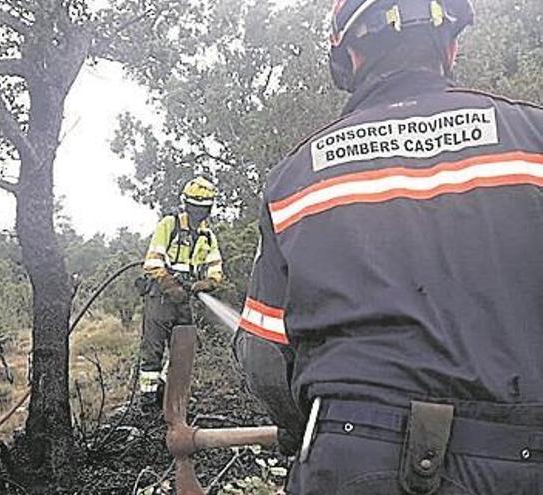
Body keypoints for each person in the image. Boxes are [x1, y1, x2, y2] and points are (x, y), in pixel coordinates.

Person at [234, 0, 543, 493]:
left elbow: (264, 360)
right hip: (520, 458)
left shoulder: (296, 179)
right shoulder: (533, 142)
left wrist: (299, 434)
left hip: (351, 458)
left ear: (348, 55)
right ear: (451, 45)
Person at [140, 176, 224, 411]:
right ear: (187, 205)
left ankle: (170, 395)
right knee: (153, 350)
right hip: (161, 296)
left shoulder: (208, 236)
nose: (199, 214)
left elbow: (216, 267)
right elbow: (152, 261)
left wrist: (207, 283)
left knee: (183, 348)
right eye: (195, 208)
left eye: (203, 209)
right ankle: (148, 403)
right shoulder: (170, 224)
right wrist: (170, 284)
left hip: (184, 299)